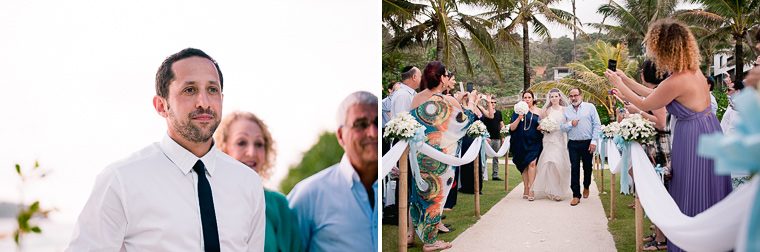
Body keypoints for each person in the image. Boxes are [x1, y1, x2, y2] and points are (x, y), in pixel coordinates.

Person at [67, 48, 265, 251]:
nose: (203, 103)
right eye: (189, 90)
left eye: (212, 90)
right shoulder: (120, 181)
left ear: (221, 100)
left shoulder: (248, 183)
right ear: (161, 105)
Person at [604, 19, 732, 252]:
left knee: (692, 188)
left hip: (694, 139)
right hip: (707, 131)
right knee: (706, 187)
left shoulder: (677, 80)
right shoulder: (693, 73)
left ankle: (693, 244)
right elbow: (655, 93)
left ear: (664, 49)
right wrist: (626, 80)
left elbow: (646, 101)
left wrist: (617, 84)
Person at [287, 91, 378, 252]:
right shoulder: (309, 194)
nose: (373, 133)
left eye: (377, 122)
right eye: (361, 124)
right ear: (341, 135)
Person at [409, 61, 480, 251]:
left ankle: (415, 234)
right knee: (437, 198)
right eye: (446, 75)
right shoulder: (447, 100)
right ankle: (430, 242)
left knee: (420, 195)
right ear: (441, 78)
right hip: (441, 159)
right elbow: (466, 120)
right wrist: (472, 101)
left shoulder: (416, 98)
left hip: (420, 156)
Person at [214, 111, 304, 252]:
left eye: (259, 144)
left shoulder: (278, 205)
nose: (252, 152)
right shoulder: (207, 200)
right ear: (223, 149)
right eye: (241, 143)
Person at [609, 59, 671, 250]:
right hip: (656, 146)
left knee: (659, 191)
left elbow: (661, 123)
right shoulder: (658, 91)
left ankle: (661, 240)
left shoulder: (661, 92)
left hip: (661, 149)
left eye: (641, 71)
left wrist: (638, 112)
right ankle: (658, 233)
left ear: (647, 74)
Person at [560, 87, 602, 206]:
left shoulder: (590, 107)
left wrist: (594, 141)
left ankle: (587, 186)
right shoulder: (567, 110)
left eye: (576, 95)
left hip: (588, 143)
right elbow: (562, 127)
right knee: (574, 168)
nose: (573, 98)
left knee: (587, 167)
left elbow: (597, 125)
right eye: (571, 96)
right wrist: (570, 124)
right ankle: (576, 195)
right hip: (573, 143)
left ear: (581, 95)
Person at [530, 88, 571, 201]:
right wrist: (544, 128)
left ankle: (557, 189)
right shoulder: (546, 110)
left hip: (560, 139)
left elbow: (567, 125)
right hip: (549, 139)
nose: (554, 98)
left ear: (559, 97)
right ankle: (553, 191)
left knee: (560, 166)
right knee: (550, 164)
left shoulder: (565, 110)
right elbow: (541, 126)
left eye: (556, 96)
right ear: (549, 98)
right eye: (551, 96)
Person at [509, 90, 544, 201]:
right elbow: (512, 128)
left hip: (535, 141)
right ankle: (525, 188)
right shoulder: (517, 111)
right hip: (521, 141)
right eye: (525, 97)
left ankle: (532, 190)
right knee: (523, 166)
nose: (527, 99)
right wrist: (519, 118)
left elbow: (544, 125)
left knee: (532, 164)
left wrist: (542, 127)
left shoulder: (539, 111)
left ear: (533, 99)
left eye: (529, 97)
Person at [481, 95, 505, 181]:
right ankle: (482, 175)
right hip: (487, 139)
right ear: (488, 103)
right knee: (484, 157)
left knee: (496, 157)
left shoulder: (498, 113)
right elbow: (481, 126)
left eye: (495, 102)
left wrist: (504, 136)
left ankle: (495, 175)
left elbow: (501, 124)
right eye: (492, 102)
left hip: (497, 138)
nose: (493, 104)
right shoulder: (484, 113)